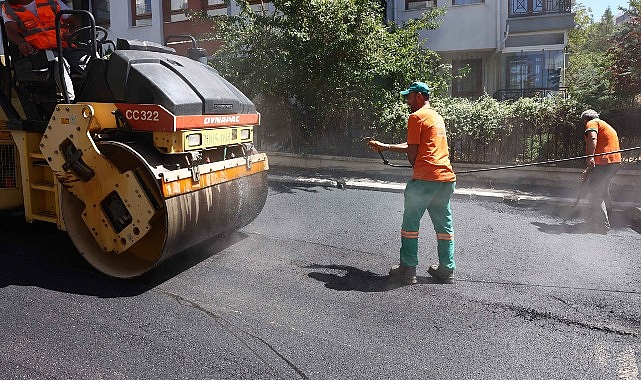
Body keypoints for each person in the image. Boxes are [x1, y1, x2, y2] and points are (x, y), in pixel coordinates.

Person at [368, 81, 457, 284]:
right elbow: (418, 146)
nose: (407, 101)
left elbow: (412, 153)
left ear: (418, 96)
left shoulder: (416, 117)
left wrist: (417, 167)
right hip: (445, 180)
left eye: (409, 96)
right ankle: (447, 269)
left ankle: (407, 270)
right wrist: (386, 146)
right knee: (444, 227)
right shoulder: (437, 117)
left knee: (410, 225)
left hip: (425, 181)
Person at [2, 0, 86, 101]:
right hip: (39, 51)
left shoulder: (52, 1)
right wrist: (21, 43)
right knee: (59, 63)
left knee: (87, 61)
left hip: (64, 45)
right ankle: (70, 101)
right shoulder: (9, 8)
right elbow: (11, 30)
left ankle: (100, 95)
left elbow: (73, 19)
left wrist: (72, 33)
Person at [580, 109, 622, 233]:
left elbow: (593, 138)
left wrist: (590, 157)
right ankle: (610, 218)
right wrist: (588, 169)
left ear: (585, 120)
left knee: (595, 190)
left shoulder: (592, 123)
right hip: (613, 162)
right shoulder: (605, 125)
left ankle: (601, 224)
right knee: (603, 189)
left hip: (604, 161)